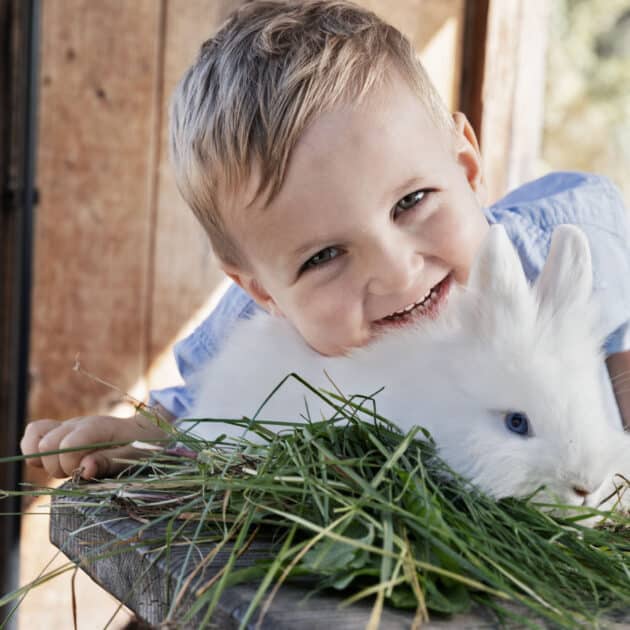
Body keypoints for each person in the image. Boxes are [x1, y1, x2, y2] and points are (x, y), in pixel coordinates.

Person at [20, 0, 630, 480]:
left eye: (412, 201)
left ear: (467, 168)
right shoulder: (261, 326)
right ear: (265, 293)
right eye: (324, 257)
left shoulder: (555, 249)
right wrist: (157, 435)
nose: (396, 272)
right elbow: (203, 398)